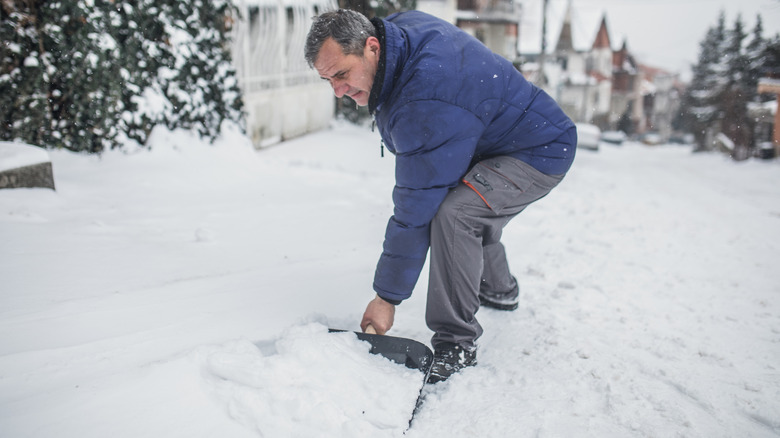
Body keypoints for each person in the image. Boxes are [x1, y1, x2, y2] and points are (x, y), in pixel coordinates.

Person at [305, 9, 576, 383]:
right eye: (327, 80)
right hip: (495, 137)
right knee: (468, 203)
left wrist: (386, 298)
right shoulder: (397, 37)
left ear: (371, 48)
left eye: (341, 74)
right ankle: (499, 289)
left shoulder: (426, 98)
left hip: (539, 150)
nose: (338, 91)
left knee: (456, 213)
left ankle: (456, 341)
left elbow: (416, 208)